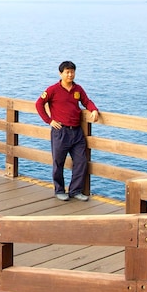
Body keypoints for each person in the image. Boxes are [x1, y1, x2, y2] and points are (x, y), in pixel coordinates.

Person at [35, 60, 99, 201]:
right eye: (67, 72)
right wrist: (49, 120)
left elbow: (86, 101)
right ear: (61, 73)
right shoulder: (53, 89)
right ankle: (59, 190)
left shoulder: (78, 89)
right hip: (60, 132)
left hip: (76, 132)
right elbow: (39, 103)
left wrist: (93, 109)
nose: (70, 75)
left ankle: (75, 191)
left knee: (81, 161)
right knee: (58, 162)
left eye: (72, 72)